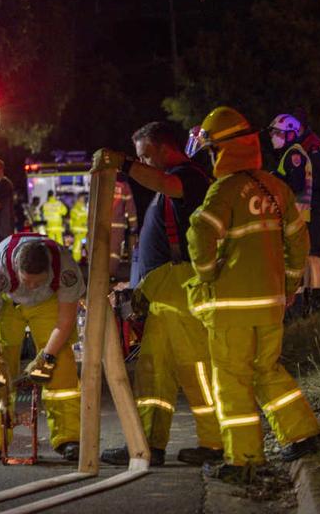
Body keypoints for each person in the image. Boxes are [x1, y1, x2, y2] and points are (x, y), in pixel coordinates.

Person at [187, 106, 320, 483]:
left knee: (231, 380)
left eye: (211, 150)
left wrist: (207, 272)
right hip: (271, 303)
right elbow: (298, 237)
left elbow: (200, 233)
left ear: (222, 150)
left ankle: (244, 458)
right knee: (268, 370)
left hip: (231, 308)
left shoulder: (225, 190)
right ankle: (304, 434)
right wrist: (291, 283)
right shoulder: (275, 187)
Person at [96, 123, 222, 468]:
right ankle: (148, 442)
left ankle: (217, 442)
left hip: (183, 288)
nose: (143, 164)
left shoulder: (191, 176)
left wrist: (123, 165)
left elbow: (166, 184)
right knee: (153, 372)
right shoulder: (171, 180)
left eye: (146, 156)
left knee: (196, 371)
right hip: (165, 293)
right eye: (138, 159)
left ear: (165, 148)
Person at [0, 233, 85, 462]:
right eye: (27, 281)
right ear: (15, 268)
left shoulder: (66, 270)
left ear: (49, 272)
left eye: (38, 282)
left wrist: (47, 356)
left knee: (61, 364)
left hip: (48, 303)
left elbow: (65, 323)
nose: (31, 287)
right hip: (8, 303)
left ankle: (68, 437)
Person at [268, 114, 320, 317]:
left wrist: (277, 183)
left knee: (311, 255)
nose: (273, 137)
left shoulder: (294, 155)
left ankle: (314, 300)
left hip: (304, 214)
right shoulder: (292, 154)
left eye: (277, 133)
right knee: (307, 257)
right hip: (304, 213)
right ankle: (308, 299)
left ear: (289, 134)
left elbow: (296, 185)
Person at [68, 193, 89, 262]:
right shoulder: (75, 208)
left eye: (84, 198)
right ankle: (76, 260)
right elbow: (75, 218)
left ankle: (86, 259)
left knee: (86, 245)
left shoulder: (85, 208)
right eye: (82, 198)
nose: (83, 199)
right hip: (79, 231)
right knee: (77, 246)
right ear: (79, 198)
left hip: (85, 231)